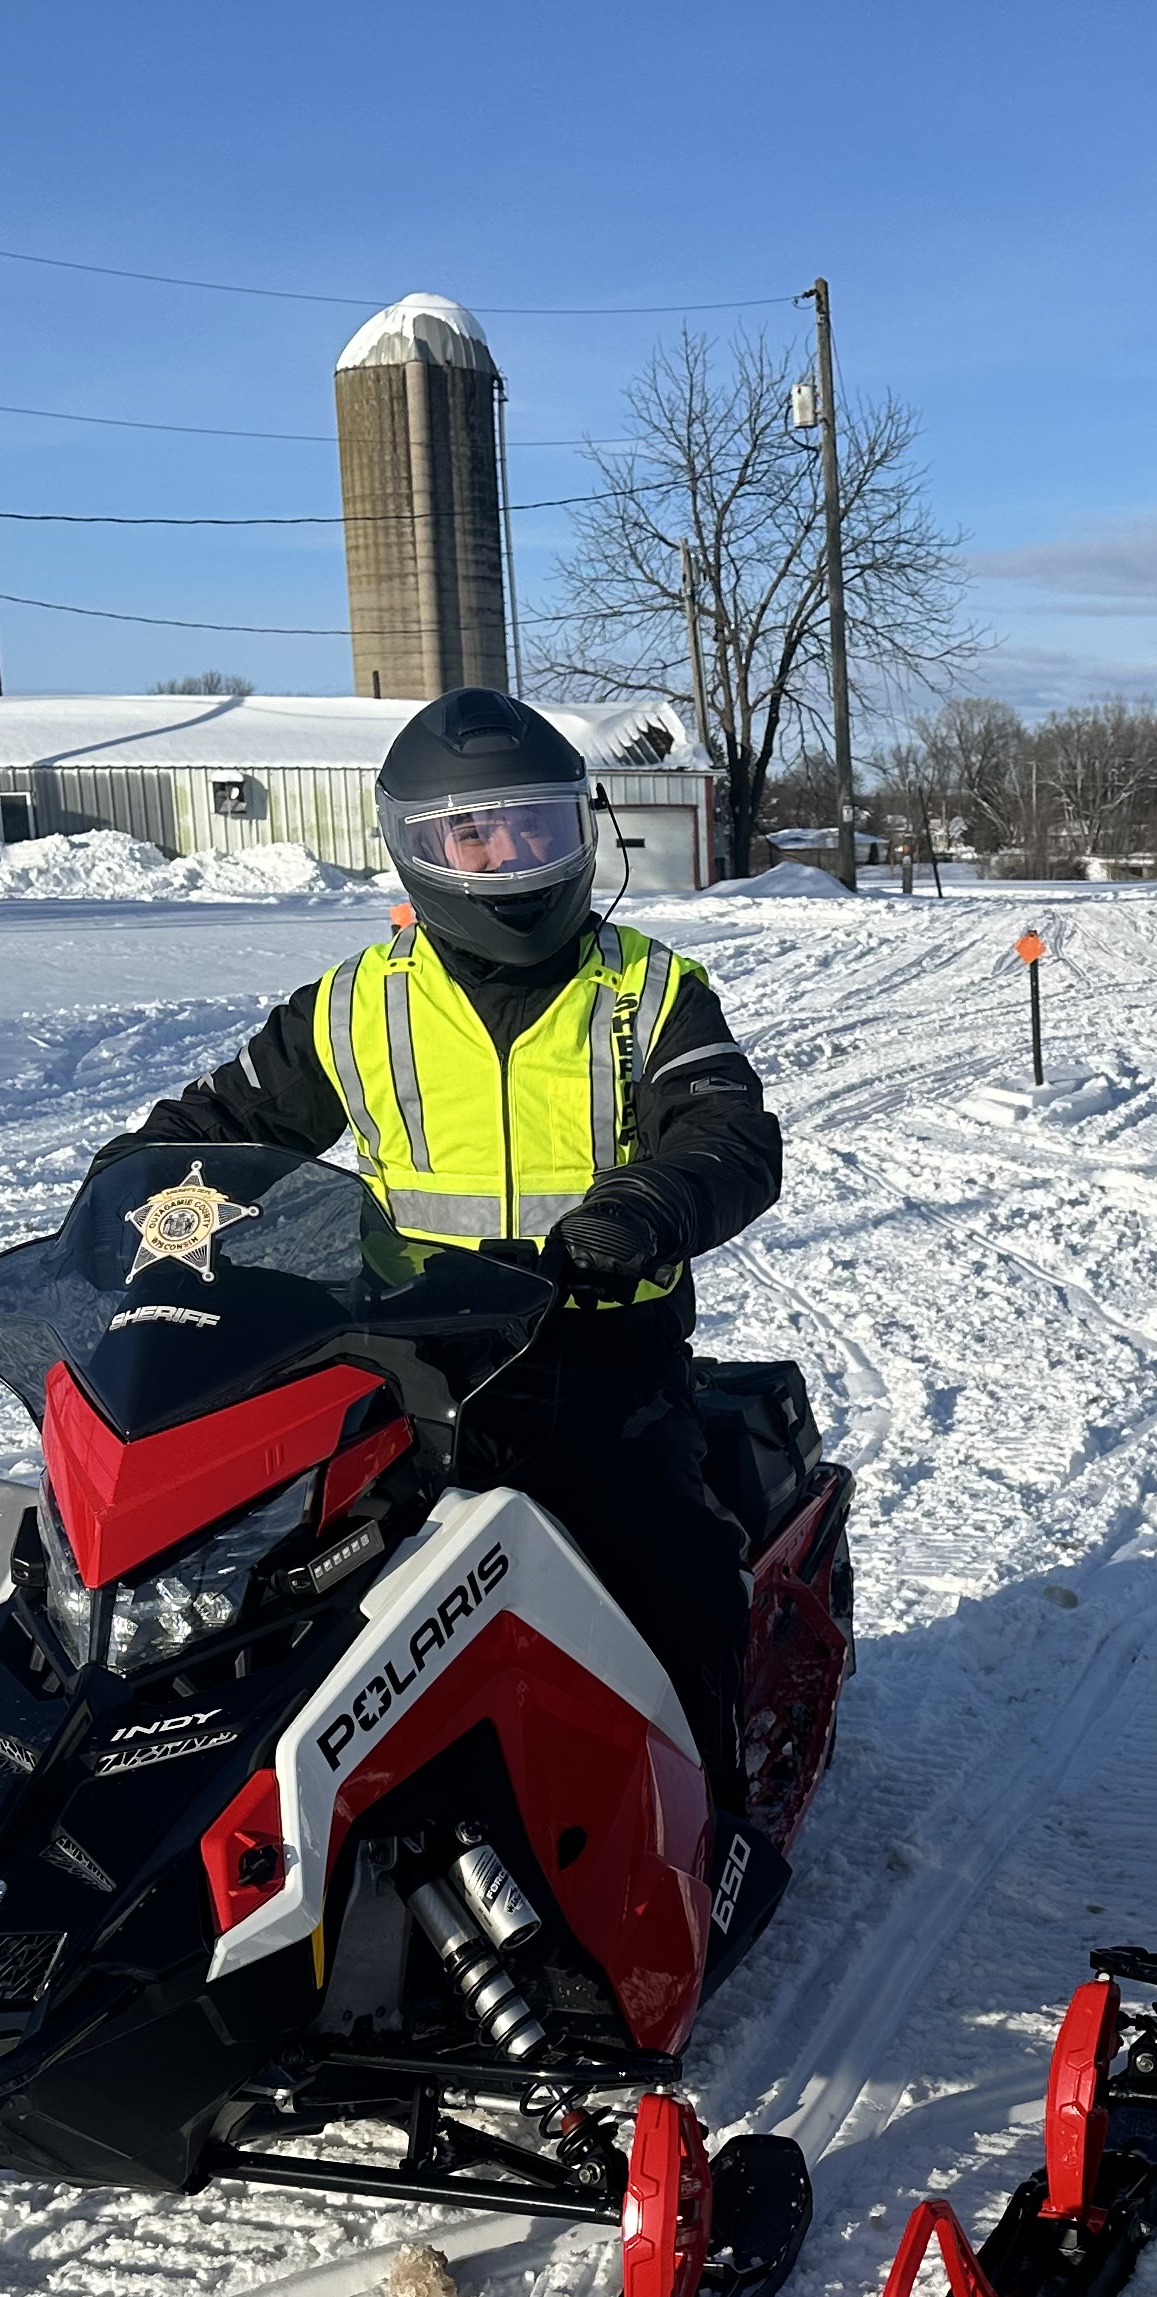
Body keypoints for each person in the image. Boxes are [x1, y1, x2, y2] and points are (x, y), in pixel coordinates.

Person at [99, 687, 779, 1804]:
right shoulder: (352, 1006)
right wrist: (132, 1191)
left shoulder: (648, 992)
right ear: (417, 850)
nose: (509, 857)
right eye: (473, 833)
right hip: (405, 1358)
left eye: (536, 827)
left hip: (599, 1355)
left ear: (581, 829)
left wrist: (644, 1206)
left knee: (672, 1570)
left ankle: (708, 1809)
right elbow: (217, 1128)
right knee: (272, 1576)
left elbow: (729, 1133)